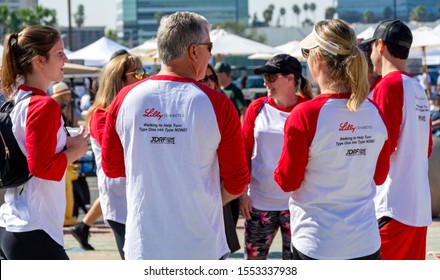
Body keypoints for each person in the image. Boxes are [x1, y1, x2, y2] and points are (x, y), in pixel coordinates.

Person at [101, 11, 249, 260]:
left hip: (144, 244)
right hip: (200, 244)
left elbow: (112, 167)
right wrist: (205, 200)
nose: (210, 54)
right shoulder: (217, 104)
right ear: (193, 51)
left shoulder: (125, 99)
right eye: (208, 47)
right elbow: (237, 180)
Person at [274, 19, 390, 260]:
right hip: (365, 242)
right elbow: (379, 177)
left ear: (318, 62)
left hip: (318, 243)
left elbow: (287, 181)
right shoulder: (374, 112)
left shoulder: (305, 114)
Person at [0, 25, 89, 259]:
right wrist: (75, 150)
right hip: (35, 227)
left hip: (14, 222)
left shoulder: (15, 103)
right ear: (39, 61)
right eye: (59, 53)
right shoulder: (44, 105)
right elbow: (42, 167)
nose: (65, 58)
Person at [364, 19, 433, 260]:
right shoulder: (416, 88)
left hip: (391, 206)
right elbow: (426, 148)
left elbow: (381, 146)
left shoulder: (387, 86)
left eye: (371, 47)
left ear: (380, 45)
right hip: (417, 206)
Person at [70, 51, 147, 258]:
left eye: (144, 71)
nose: (145, 76)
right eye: (138, 73)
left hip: (141, 196)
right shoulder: (101, 114)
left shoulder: (136, 108)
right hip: (121, 199)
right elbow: (119, 150)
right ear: (119, 81)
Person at [240, 54, 313, 260]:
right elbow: (243, 151)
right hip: (259, 202)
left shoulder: (308, 109)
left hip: (298, 204)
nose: (265, 82)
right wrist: (242, 193)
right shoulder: (257, 107)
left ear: (291, 78)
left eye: (271, 77)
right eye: (265, 77)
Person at [198, 63, 241, 254]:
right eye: (203, 78)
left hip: (222, 187)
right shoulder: (191, 107)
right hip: (199, 190)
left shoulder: (224, 104)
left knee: (220, 248)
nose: (209, 82)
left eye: (212, 78)